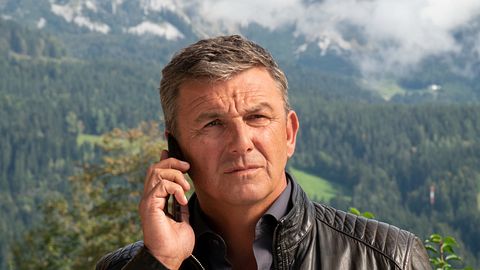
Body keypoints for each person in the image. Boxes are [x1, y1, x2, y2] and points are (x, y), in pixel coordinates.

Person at [96, 35, 430, 270]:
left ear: (289, 133)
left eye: (257, 117)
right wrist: (161, 263)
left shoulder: (388, 259)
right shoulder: (129, 267)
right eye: (213, 124)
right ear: (176, 148)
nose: (241, 142)